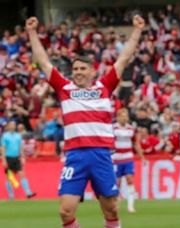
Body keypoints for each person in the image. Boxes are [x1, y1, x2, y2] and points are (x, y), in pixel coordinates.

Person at [26, 15, 145, 228]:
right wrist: (32, 33)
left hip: (101, 154)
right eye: (76, 69)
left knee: (111, 209)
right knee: (65, 210)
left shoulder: (105, 86)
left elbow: (124, 58)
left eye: (83, 69)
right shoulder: (64, 88)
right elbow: (43, 61)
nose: (78, 72)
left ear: (92, 71)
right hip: (76, 156)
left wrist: (136, 31)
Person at [112, 108, 145, 213]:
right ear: (118, 117)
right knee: (117, 182)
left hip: (128, 157)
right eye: (122, 115)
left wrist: (142, 157)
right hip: (116, 158)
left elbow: (136, 143)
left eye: (126, 116)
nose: (124, 118)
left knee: (130, 179)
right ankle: (116, 203)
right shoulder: (113, 128)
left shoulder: (131, 129)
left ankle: (130, 206)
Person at [1, 121, 36, 199]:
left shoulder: (18, 136)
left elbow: (21, 147)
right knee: (9, 177)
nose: (13, 126)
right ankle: (11, 195)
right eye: (11, 125)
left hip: (16, 158)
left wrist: (22, 157)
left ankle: (28, 192)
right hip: (8, 158)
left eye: (14, 125)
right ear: (8, 126)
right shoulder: (5, 136)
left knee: (22, 175)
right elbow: (3, 148)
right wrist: (4, 160)